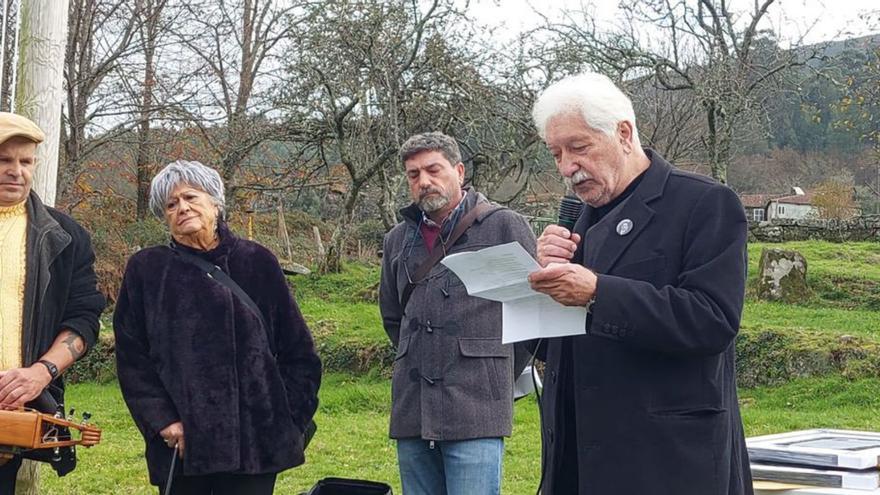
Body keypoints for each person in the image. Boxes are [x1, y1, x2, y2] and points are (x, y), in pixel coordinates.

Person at [527, 73, 753, 494]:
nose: (566, 167)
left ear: (624, 133)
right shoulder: (576, 221)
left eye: (578, 147)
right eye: (555, 153)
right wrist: (539, 285)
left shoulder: (703, 204)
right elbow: (550, 350)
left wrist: (598, 292)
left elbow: (712, 321)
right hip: (576, 462)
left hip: (665, 465)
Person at [114, 160, 322, 494]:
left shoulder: (257, 261)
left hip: (256, 443)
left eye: (191, 197)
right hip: (183, 444)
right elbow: (132, 356)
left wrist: (287, 418)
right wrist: (162, 421)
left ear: (215, 202)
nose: (182, 208)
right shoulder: (147, 270)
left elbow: (299, 350)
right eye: (171, 204)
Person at [379, 132, 536, 495]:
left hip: (477, 407)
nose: (424, 181)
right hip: (412, 407)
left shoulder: (503, 226)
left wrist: (490, 369)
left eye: (433, 170)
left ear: (459, 171)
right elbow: (392, 316)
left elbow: (531, 311)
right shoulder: (397, 240)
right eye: (413, 175)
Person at [0, 112, 105, 490]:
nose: (16, 171)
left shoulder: (66, 237)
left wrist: (40, 373)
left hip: (11, 420)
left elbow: (84, 317)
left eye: (25, 161)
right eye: (4, 160)